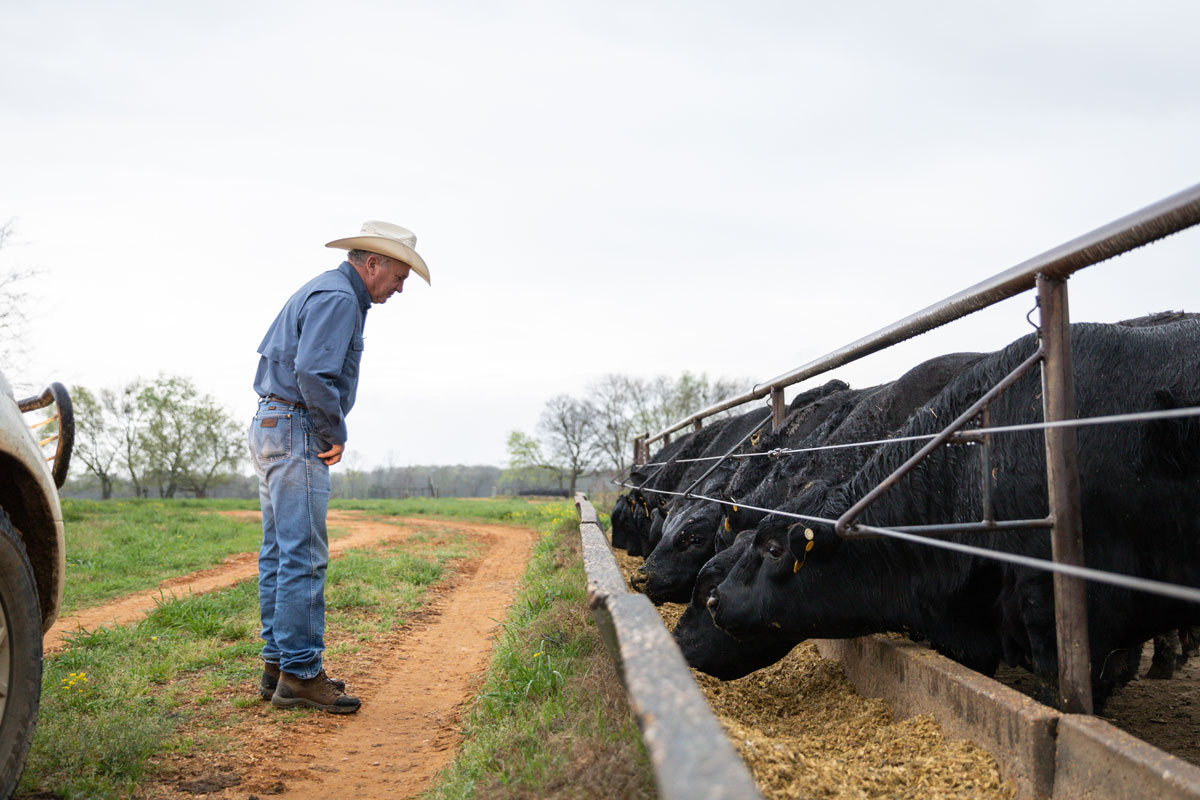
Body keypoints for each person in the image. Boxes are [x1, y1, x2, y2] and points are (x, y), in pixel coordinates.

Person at [249, 220, 430, 713]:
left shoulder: (322, 289)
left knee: (280, 552)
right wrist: (334, 431)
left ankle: (277, 664)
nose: (399, 288)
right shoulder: (340, 298)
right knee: (304, 555)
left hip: (271, 422)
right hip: (296, 426)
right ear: (372, 262)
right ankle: (301, 674)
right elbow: (313, 371)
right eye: (399, 276)